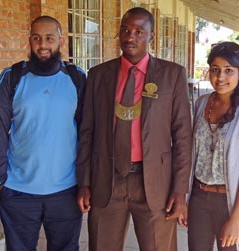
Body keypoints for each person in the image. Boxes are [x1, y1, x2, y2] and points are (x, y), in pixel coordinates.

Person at [76, 7, 192, 251]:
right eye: (126, 30)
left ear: (151, 37)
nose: (130, 37)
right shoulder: (98, 75)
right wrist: (84, 182)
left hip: (155, 184)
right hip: (107, 180)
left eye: (139, 31)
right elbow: (87, 132)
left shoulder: (172, 75)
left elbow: (182, 138)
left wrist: (180, 191)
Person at [0, 15, 86, 251]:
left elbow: (87, 132)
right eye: (37, 38)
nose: (43, 45)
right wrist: (1, 180)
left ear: (61, 41)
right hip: (19, 191)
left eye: (49, 38)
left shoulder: (76, 78)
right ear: (30, 41)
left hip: (66, 191)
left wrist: (85, 181)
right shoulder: (12, 77)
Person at [187, 41, 239, 251]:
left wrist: (235, 219)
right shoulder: (201, 103)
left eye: (228, 71)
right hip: (199, 197)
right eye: (215, 70)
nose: (220, 77)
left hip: (230, 202)